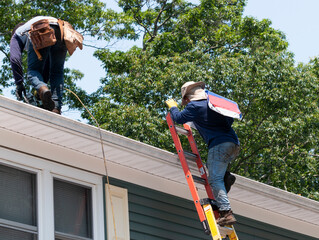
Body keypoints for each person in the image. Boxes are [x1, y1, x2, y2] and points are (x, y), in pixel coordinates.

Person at [165, 81, 240, 226]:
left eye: (184, 101)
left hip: (219, 144)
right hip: (233, 144)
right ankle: (226, 178)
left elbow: (179, 118)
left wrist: (173, 107)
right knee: (218, 174)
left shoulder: (194, 106)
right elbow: (229, 120)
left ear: (187, 98)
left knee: (214, 180)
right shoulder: (213, 103)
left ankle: (226, 213)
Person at [10, 16, 67, 114]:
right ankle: (56, 108)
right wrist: (42, 93)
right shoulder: (31, 23)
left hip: (42, 28)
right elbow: (46, 68)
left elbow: (14, 59)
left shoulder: (17, 34)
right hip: (63, 30)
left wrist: (19, 83)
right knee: (57, 72)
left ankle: (43, 90)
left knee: (32, 72)